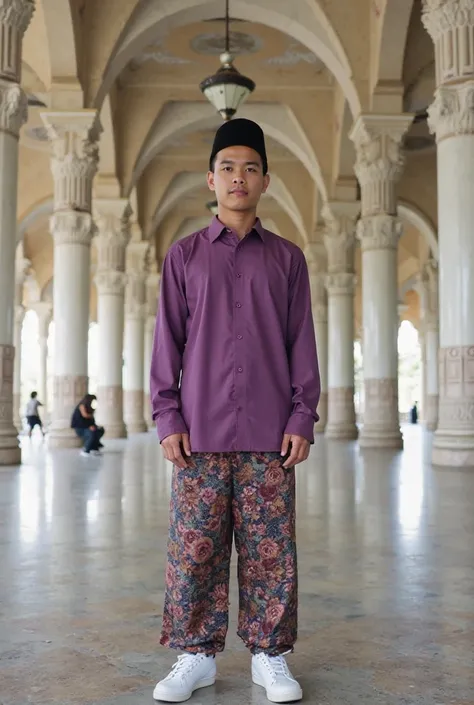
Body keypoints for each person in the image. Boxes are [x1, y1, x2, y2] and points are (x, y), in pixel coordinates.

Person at [150, 118, 320, 704]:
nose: (238, 178)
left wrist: (303, 416)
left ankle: (269, 655)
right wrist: (167, 417)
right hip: (200, 431)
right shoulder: (184, 257)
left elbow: (303, 341)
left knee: (271, 547)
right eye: (227, 168)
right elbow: (166, 343)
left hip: (271, 432)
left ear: (265, 180)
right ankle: (194, 655)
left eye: (250, 168)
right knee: (194, 545)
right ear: (211, 179)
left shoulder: (288, 260)